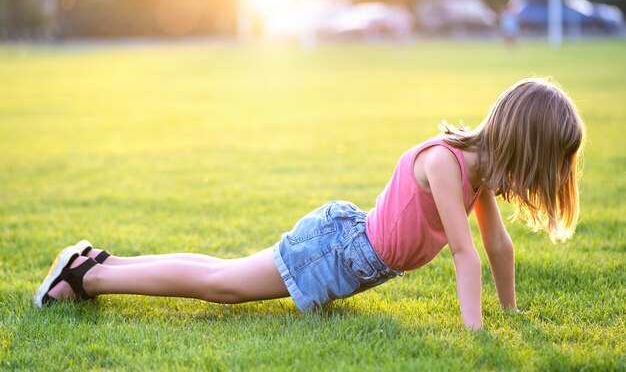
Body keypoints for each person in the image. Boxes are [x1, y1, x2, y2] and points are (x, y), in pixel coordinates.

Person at [35, 77, 585, 330]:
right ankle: (88, 279)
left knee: (221, 274)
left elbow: (498, 246)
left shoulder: (480, 168)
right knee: (221, 286)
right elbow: (466, 255)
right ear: (527, 142)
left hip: (344, 253)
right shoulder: (448, 162)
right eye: (553, 161)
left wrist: (511, 314)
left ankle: (95, 263)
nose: (553, 175)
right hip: (337, 250)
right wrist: (475, 334)